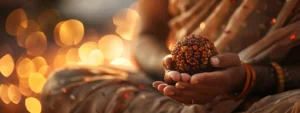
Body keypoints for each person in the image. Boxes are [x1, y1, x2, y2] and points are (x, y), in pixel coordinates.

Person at [42, 0, 300, 113]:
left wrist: (247, 79)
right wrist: (170, 68)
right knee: (64, 84)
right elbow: (147, 35)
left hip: (268, 101)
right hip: (175, 100)